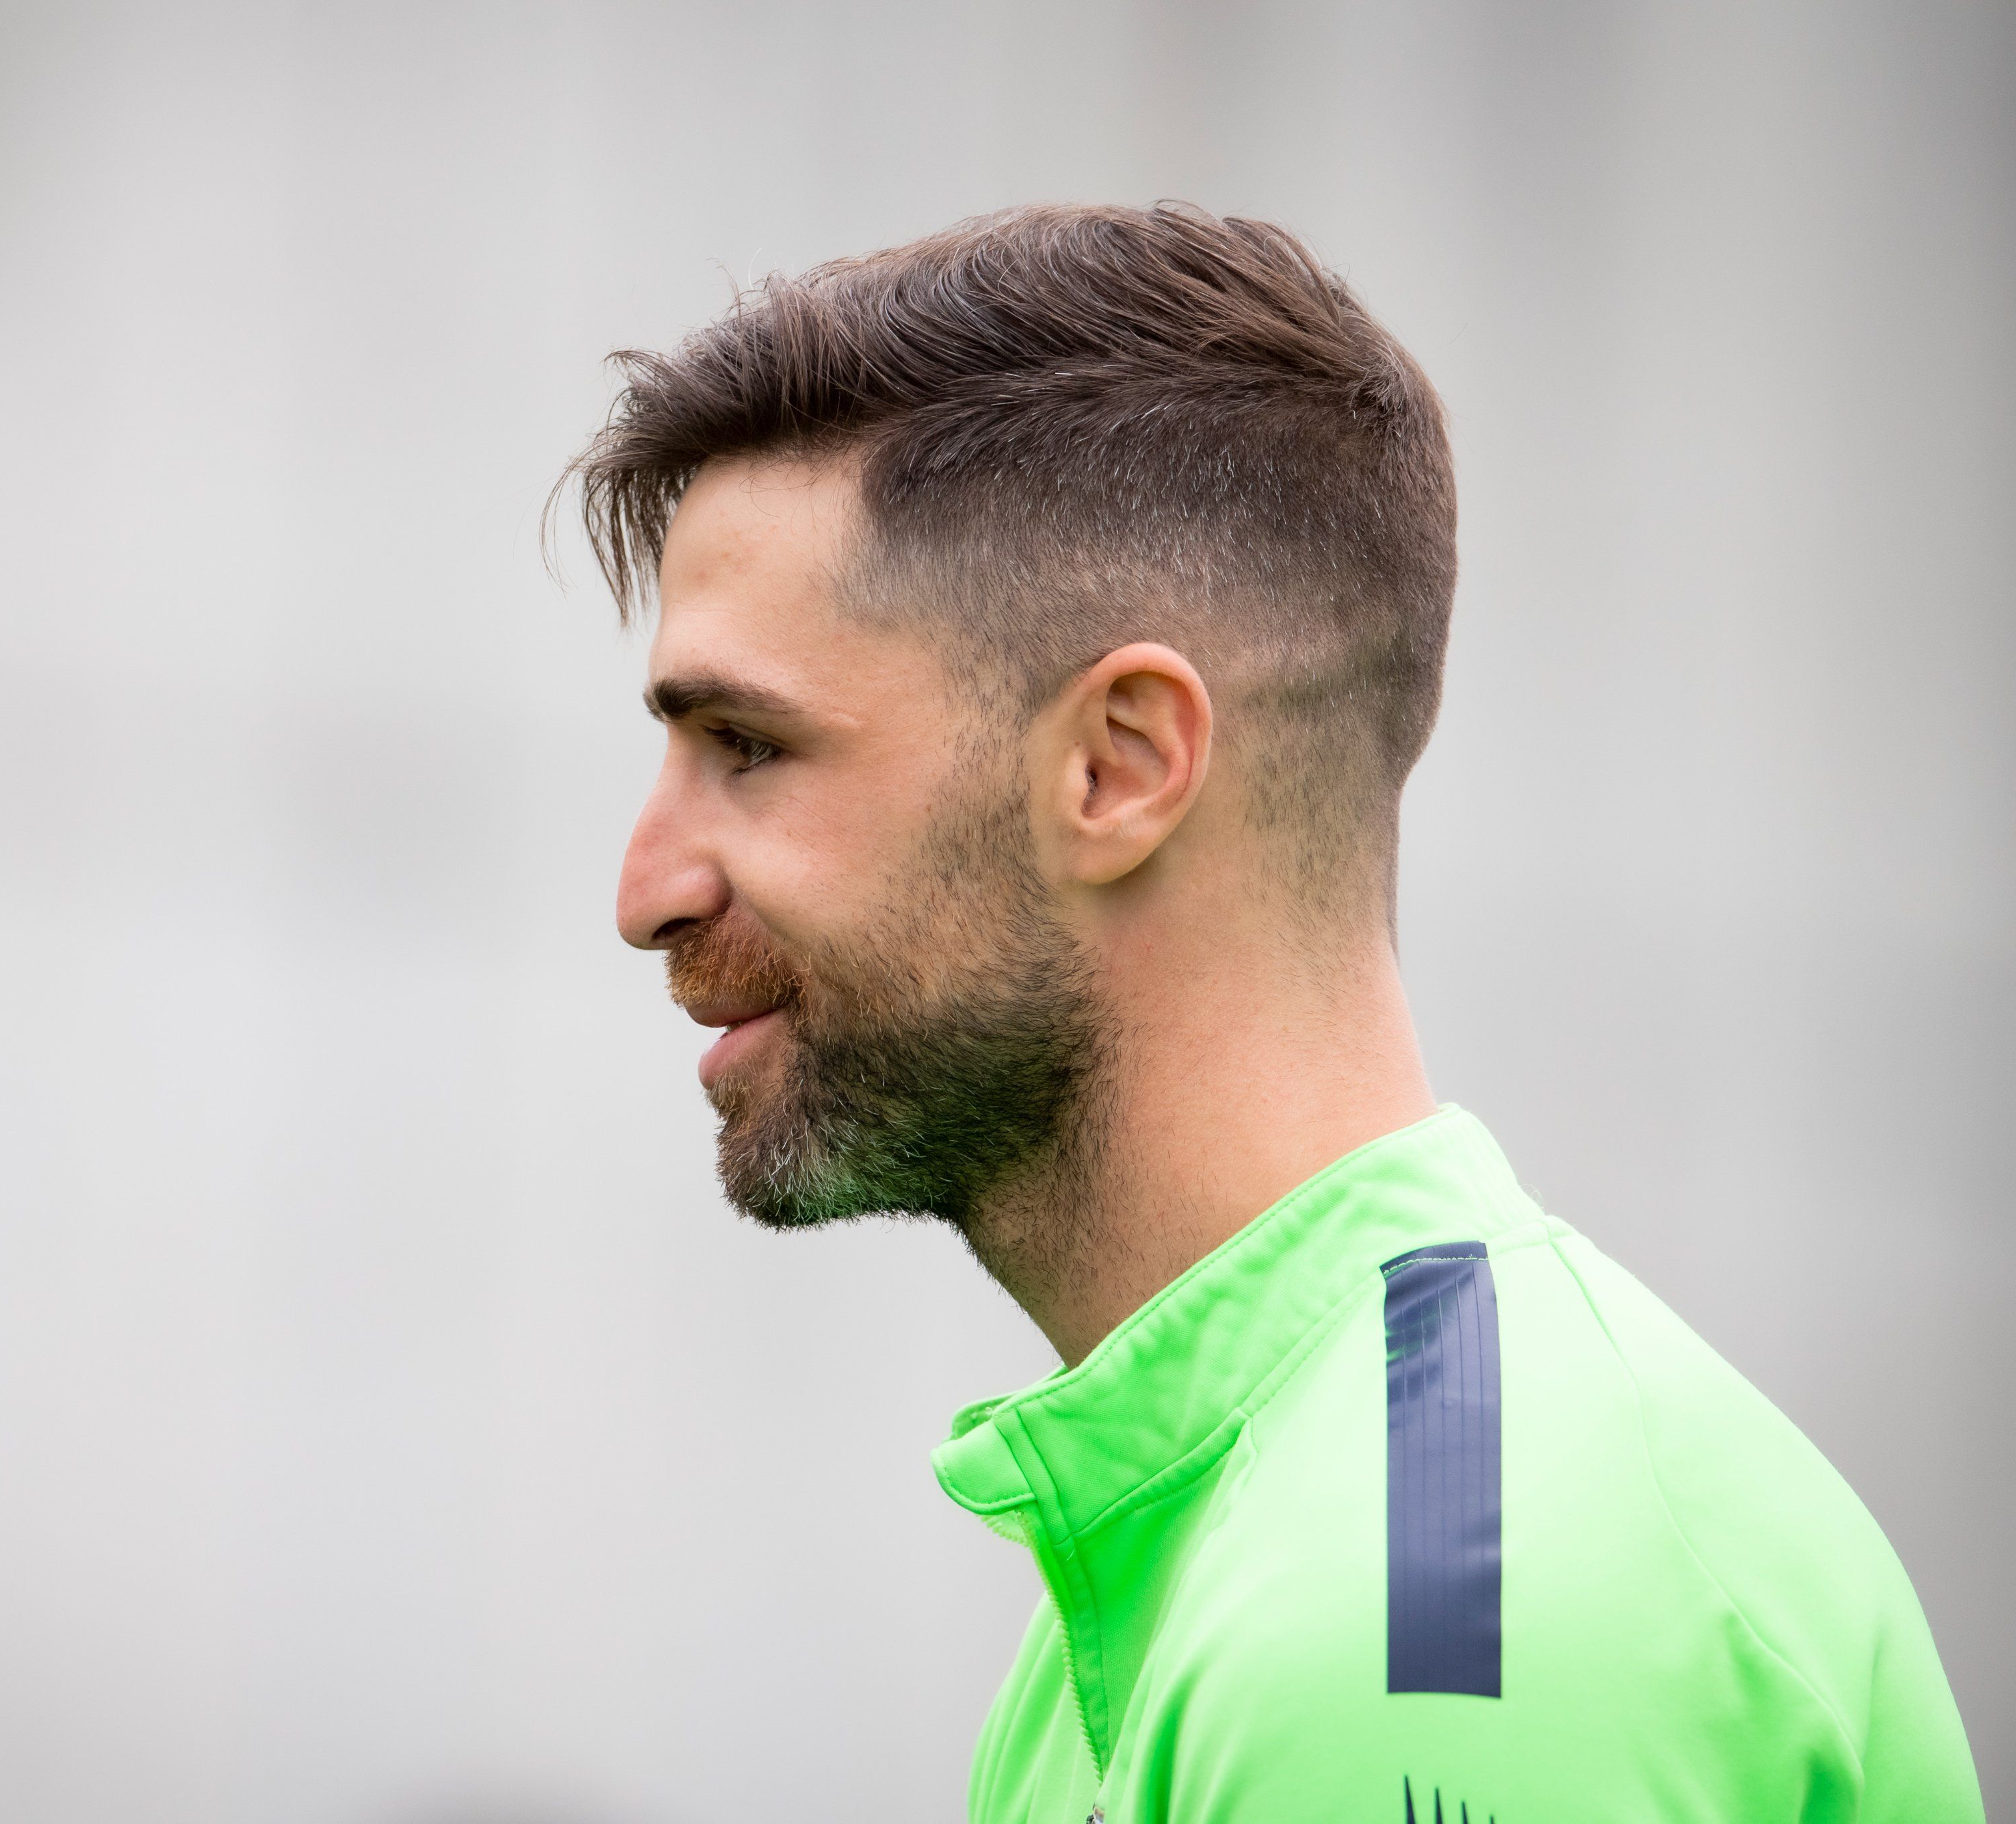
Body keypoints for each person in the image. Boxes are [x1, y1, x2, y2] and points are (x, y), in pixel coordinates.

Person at [561, 205, 1981, 1823]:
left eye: (745, 744)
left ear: (1115, 768)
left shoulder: (1417, 1635)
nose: (645, 889)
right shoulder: (1296, 1525)